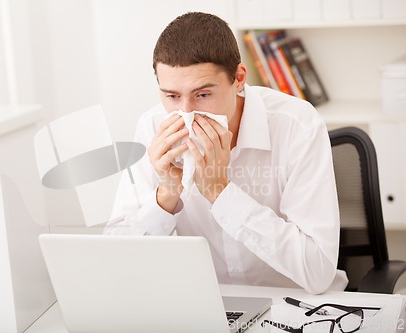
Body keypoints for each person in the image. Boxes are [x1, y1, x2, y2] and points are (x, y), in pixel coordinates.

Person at [104, 12, 348, 294]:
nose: (187, 113)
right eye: (171, 96)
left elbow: (317, 271)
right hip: (205, 305)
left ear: (239, 78)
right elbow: (118, 259)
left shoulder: (297, 126)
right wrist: (167, 194)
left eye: (203, 95)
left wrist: (220, 192)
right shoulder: (153, 127)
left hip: (294, 305)